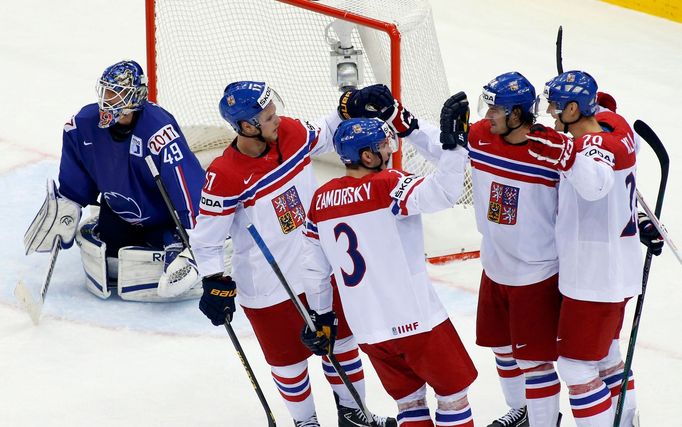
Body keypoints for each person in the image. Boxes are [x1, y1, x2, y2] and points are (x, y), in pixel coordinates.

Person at [190, 81, 396, 427]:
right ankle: (306, 423)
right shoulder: (224, 174)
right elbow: (206, 237)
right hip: (268, 285)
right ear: (246, 126)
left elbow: (327, 133)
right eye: (268, 117)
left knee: (341, 342)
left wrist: (350, 106)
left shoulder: (290, 132)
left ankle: (354, 414)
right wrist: (213, 281)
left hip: (318, 268)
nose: (277, 120)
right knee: (289, 363)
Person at [299, 89, 478, 427]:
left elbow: (313, 270)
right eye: (383, 146)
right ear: (366, 157)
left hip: (370, 329)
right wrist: (454, 147)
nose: (389, 150)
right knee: (453, 399)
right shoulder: (387, 185)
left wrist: (322, 316)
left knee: (410, 405)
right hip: (417, 320)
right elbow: (443, 193)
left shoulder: (320, 201)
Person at [24, 60, 205, 302]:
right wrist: (68, 205)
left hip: (162, 216)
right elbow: (77, 165)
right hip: (119, 211)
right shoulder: (82, 124)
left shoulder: (159, 131)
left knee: (162, 239)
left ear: (136, 98)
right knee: (110, 251)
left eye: (116, 93)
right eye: (106, 91)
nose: (107, 99)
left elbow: (185, 182)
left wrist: (194, 231)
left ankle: (173, 238)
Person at [527, 70, 649, 427]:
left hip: (595, 276)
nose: (550, 112)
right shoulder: (617, 127)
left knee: (576, 366)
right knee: (607, 355)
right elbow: (610, 121)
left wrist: (567, 156)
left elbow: (595, 184)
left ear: (576, 108)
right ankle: (625, 422)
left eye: (557, 106)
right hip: (617, 269)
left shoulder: (590, 150)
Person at [468, 72, 563, 427]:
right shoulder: (480, 137)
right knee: (502, 348)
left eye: (495, 109)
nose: (487, 115)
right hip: (494, 265)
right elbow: (443, 151)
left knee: (535, 361)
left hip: (535, 273)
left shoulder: (551, 151)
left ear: (518, 114)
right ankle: (522, 412)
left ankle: (544, 421)